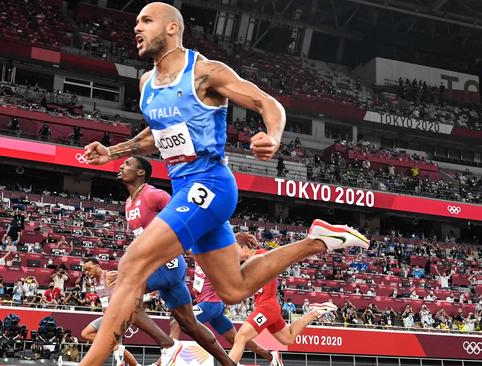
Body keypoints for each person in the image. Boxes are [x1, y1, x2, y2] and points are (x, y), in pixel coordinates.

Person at [80, 2, 369, 363]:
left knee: (132, 264)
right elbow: (156, 133)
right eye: (136, 21)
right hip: (187, 189)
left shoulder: (204, 73)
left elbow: (269, 104)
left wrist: (273, 136)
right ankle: (317, 241)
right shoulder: (146, 83)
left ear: (172, 28)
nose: (136, 27)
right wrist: (113, 152)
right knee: (233, 289)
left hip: (211, 184)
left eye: (146, 20)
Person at [118, 155, 239, 365]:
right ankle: (230, 364)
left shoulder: (154, 195)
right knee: (189, 325)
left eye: (127, 163)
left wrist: (200, 244)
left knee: (122, 297)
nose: (121, 165)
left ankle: (168, 345)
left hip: (167, 263)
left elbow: (189, 215)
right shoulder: (129, 203)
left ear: (141, 172)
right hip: (156, 266)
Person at [228, 233, 338, 364]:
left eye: (235, 249)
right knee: (288, 337)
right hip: (269, 307)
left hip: (267, 306)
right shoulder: (247, 263)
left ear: (245, 248)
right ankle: (315, 312)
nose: (233, 254)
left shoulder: (262, 255)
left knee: (241, 336)